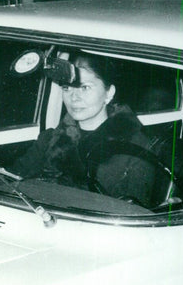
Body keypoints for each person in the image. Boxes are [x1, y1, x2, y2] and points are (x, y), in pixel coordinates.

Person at [11, 52, 157, 207]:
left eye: (85, 88)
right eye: (67, 88)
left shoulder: (137, 151)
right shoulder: (50, 139)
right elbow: (9, 179)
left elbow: (132, 215)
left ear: (109, 93)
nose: (74, 97)